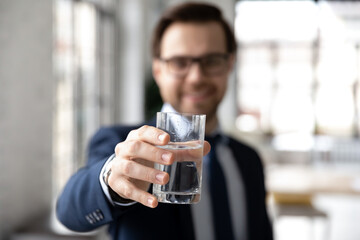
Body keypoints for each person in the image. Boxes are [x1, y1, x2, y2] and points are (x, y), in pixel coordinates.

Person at [56, 2, 273, 240]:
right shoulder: (123, 145)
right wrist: (113, 179)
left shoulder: (248, 160)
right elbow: (68, 211)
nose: (196, 77)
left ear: (229, 64)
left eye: (211, 60)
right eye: (180, 62)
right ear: (158, 71)